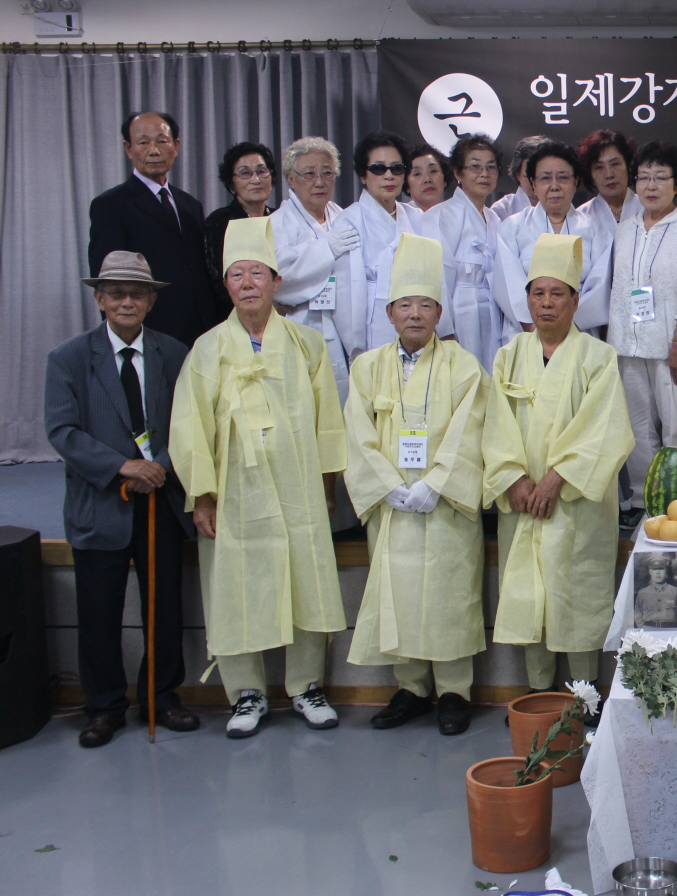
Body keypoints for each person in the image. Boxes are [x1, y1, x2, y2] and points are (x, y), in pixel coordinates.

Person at [170, 217, 347, 738]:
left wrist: (328, 487)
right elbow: (189, 427)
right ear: (226, 285)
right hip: (234, 490)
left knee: (304, 578)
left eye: (257, 273)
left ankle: (305, 686)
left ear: (275, 281)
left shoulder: (305, 345)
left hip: (297, 484)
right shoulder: (207, 350)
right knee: (234, 584)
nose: (247, 283)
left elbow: (327, 420)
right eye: (237, 275)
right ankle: (245, 692)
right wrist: (202, 496)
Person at [45, 252, 199, 747]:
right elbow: (63, 431)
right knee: (98, 612)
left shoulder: (174, 354)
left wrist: (161, 468)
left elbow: (190, 425)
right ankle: (104, 706)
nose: (126, 301)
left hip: (159, 503)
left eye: (136, 293)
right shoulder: (68, 357)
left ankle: (162, 697)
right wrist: (122, 466)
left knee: (164, 610)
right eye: (116, 293)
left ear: (152, 301)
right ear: (99, 299)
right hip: (101, 506)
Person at [343, 234, 487, 736]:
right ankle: (411, 688)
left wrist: (437, 483)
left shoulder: (464, 366)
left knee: (449, 594)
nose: (415, 314)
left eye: (425, 304)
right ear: (389, 312)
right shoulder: (366, 367)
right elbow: (357, 434)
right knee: (399, 593)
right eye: (405, 304)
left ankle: (453, 691)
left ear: (439, 312)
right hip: (392, 505)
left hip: (443, 504)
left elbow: (471, 430)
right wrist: (385, 485)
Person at [483, 234, 634, 692]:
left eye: (557, 294)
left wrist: (556, 478)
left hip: (575, 502)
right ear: (527, 299)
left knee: (578, 592)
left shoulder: (598, 356)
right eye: (538, 293)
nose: (546, 304)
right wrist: (512, 477)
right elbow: (494, 424)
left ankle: (585, 697)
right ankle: (539, 695)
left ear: (574, 301)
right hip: (524, 499)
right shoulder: (508, 356)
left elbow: (606, 429)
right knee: (531, 594)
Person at [608, 142, 677, 510]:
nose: (651, 185)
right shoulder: (626, 227)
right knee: (636, 431)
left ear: (676, 184)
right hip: (627, 347)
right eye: (644, 177)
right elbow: (619, 289)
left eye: (661, 177)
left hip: (670, 348)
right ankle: (644, 504)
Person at [88, 112, 220, 346]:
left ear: (175, 146)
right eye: (143, 142)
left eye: (161, 140)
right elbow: (107, 280)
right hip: (149, 331)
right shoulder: (111, 205)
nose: (154, 150)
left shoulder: (190, 205)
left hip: (203, 331)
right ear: (128, 149)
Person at [494, 140, 612, 338]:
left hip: (578, 333)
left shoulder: (595, 228)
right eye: (545, 178)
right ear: (533, 183)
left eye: (563, 178)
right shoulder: (513, 227)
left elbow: (600, 285)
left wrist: (565, 330)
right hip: (527, 334)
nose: (555, 186)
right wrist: (536, 330)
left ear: (576, 181)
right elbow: (508, 286)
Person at [271, 136, 355, 400]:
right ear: (291, 179)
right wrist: (326, 249)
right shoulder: (277, 222)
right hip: (300, 322)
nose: (319, 182)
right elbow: (280, 278)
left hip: (342, 325)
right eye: (309, 174)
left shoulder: (344, 217)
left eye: (327, 173)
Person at [334, 130, 426, 363]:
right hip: (371, 322)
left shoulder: (416, 217)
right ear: (363, 176)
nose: (389, 176)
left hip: (415, 320)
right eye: (378, 168)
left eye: (397, 168)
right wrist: (356, 346)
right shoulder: (349, 219)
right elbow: (347, 291)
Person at [430, 134, 507, 370]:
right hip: (461, 309)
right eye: (475, 166)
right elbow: (439, 275)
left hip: (492, 309)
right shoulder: (441, 215)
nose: (484, 174)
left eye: (490, 167)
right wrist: (444, 330)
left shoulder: (495, 218)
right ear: (457, 173)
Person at [204, 142, 278, 289]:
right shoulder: (220, 221)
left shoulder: (281, 217)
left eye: (262, 171)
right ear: (232, 185)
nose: (256, 180)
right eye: (245, 173)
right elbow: (216, 278)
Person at [576, 128, 643, 235]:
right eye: (599, 167)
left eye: (615, 164)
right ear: (590, 175)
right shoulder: (581, 216)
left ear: (628, 165)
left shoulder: (647, 207)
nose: (609, 175)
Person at [489, 134, 549, 221]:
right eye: (529, 174)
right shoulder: (502, 210)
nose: (536, 180)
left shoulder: (563, 207)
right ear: (518, 174)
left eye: (543, 174)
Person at [633, 555, 677, 628]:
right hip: (648, 632)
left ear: (666, 570)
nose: (658, 572)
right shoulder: (642, 593)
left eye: (661, 569)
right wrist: (643, 628)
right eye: (654, 569)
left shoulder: (676, 592)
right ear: (650, 572)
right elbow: (637, 614)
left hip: (671, 632)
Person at [406, 143, 453, 213]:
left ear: (444, 180)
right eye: (417, 174)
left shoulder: (457, 216)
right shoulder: (399, 219)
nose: (427, 179)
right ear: (407, 186)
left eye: (433, 171)